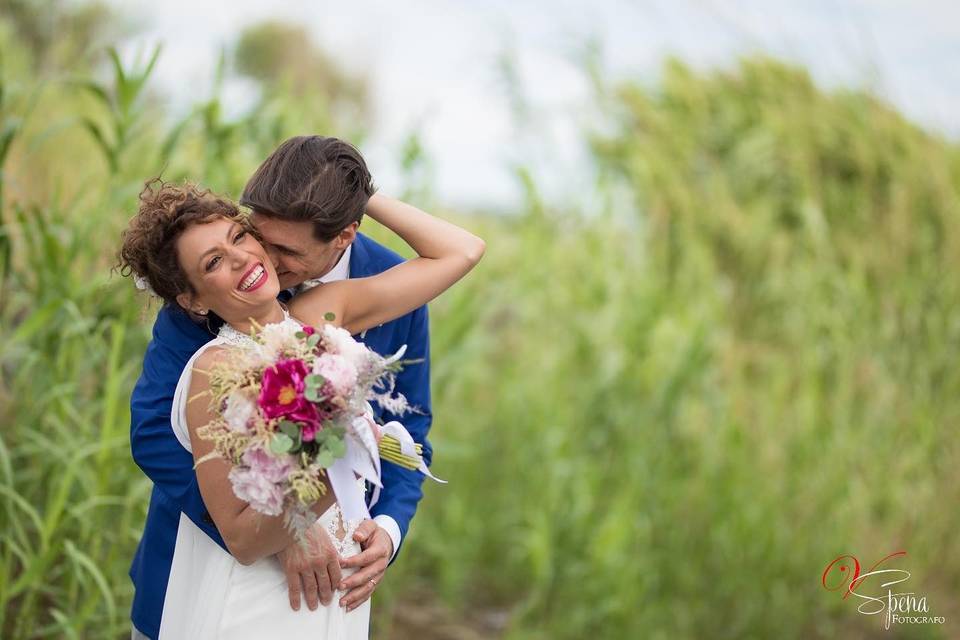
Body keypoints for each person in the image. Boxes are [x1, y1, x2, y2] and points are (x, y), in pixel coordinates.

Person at [124, 139, 484, 639]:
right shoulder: (212, 360)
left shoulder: (324, 308)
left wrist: (354, 191)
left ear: (344, 235)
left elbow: (464, 250)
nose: (256, 256)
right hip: (246, 582)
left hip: (337, 581)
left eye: (240, 238)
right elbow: (156, 438)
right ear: (192, 299)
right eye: (216, 260)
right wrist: (315, 486)